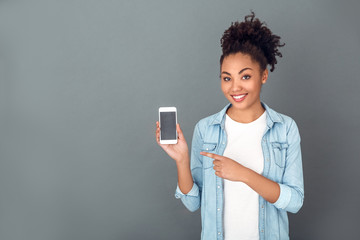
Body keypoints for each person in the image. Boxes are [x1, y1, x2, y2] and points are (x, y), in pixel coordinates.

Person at [155, 11, 304, 240]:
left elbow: (294, 202)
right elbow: (193, 203)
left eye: (245, 76)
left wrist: (243, 174)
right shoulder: (206, 129)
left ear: (263, 75)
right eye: (227, 78)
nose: (235, 87)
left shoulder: (285, 129)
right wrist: (182, 160)